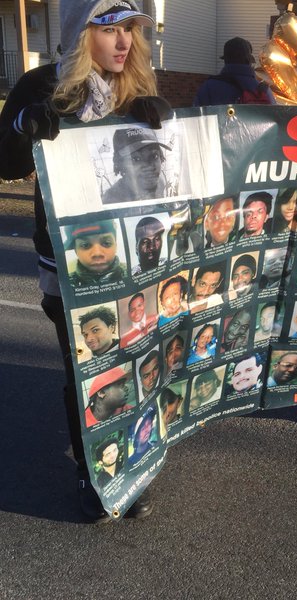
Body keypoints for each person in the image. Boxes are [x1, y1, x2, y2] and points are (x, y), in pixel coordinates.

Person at [0, 0, 165, 520]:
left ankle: (131, 459)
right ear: (79, 32)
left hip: (135, 261)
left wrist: (162, 125)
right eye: (110, 29)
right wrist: (25, 125)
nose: (124, 43)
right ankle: (94, 470)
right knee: (85, 367)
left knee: (133, 360)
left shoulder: (134, 91)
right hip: (68, 262)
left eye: (130, 32)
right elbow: (5, 165)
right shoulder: (40, 85)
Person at [193, 37, 275, 106]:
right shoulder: (263, 90)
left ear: (226, 60)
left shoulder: (208, 87)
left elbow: (196, 119)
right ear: (248, 61)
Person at [102, 127, 171, 203]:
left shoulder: (159, 183)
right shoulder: (112, 201)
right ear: (120, 164)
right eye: (136, 159)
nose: (148, 166)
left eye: (154, 156)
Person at [64, 220, 125, 287]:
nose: (97, 253)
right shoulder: (66, 284)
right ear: (76, 251)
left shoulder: (133, 274)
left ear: (116, 246)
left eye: (106, 243)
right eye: (85, 245)